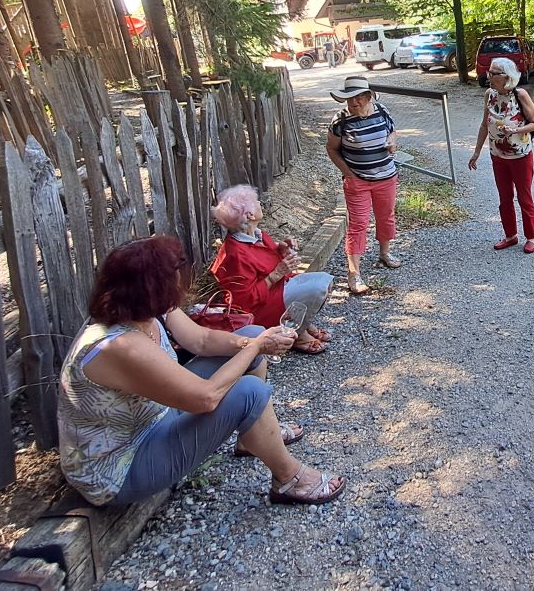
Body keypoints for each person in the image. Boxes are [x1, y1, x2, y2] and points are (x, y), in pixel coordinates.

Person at [58, 236, 346, 508]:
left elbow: (202, 340)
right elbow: (205, 399)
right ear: (153, 288)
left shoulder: (145, 311)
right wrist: (257, 347)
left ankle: (251, 438)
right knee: (249, 390)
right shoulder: (119, 346)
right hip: (119, 468)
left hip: (154, 419)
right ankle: (289, 479)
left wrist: (252, 342)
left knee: (249, 335)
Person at [210, 184, 335, 354]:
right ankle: (296, 334)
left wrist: (280, 249)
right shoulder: (235, 254)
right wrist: (276, 273)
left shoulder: (256, 235)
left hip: (277, 291)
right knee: (318, 287)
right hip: (261, 309)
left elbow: (262, 259)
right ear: (250, 215)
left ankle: (302, 325)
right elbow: (244, 302)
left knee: (325, 281)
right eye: (256, 201)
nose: (259, 203)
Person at [325, 75, 400, 294]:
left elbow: (392, 131)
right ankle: (354, 273)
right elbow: (331, 148)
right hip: (357, 181)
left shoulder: (382, 111)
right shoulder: (340, 120)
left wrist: (392, 141)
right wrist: (348, 173)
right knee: (358, 224)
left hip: (386, 177)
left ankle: (384, 253)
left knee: (386, 217)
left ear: (368, 97)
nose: (353, 102)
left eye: (358, 97)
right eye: (349, 98)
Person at [468, 56, 534, 254]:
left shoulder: (520, 94)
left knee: (524, 197)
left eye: (493, 73)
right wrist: (476, 152)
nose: (488, 76)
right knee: (504, 197)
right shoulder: (489, 94)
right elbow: (484, 125)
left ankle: (531, 237)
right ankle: (510, 235)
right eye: (489, 72)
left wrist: (515, 130)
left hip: (520, 155)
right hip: (497, 155)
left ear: (506, 76)